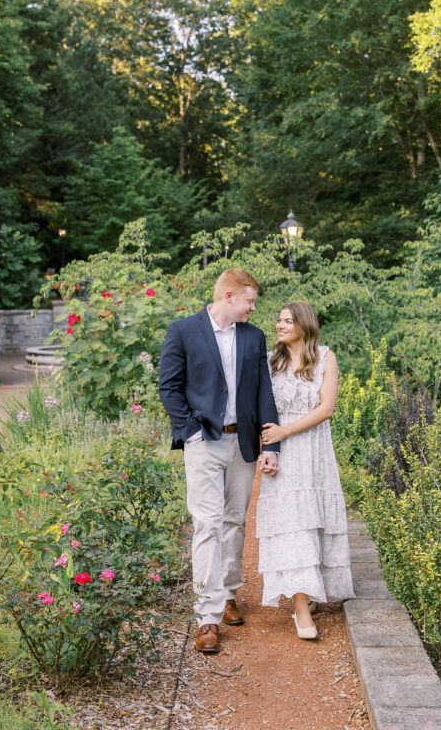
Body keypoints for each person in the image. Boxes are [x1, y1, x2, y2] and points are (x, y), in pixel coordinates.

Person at [159, 268, 280, 654]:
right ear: (229, 297)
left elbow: (263, 389)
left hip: (241, 443)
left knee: (233, 522)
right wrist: (190, 429)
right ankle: (207, 617)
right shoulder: (184, 331)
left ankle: (227, 594)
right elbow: (169, 386)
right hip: (204, 442)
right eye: (249, 300)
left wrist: (269, 443)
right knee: (207, 524)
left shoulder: (253, 336)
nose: (254, 307)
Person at [256, 301, 353, 639]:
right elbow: (260, 407)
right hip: (284, 454)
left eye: (286, 321)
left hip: (315, 450)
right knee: (293, 525)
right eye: (278, 320)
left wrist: (287, 429)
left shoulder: (325, 357)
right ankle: (300, 609)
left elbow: (326, 408)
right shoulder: (270, 361)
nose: (279, 326)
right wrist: (270, 445)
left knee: (314, 519)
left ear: (303, 325)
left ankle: (310, 589)